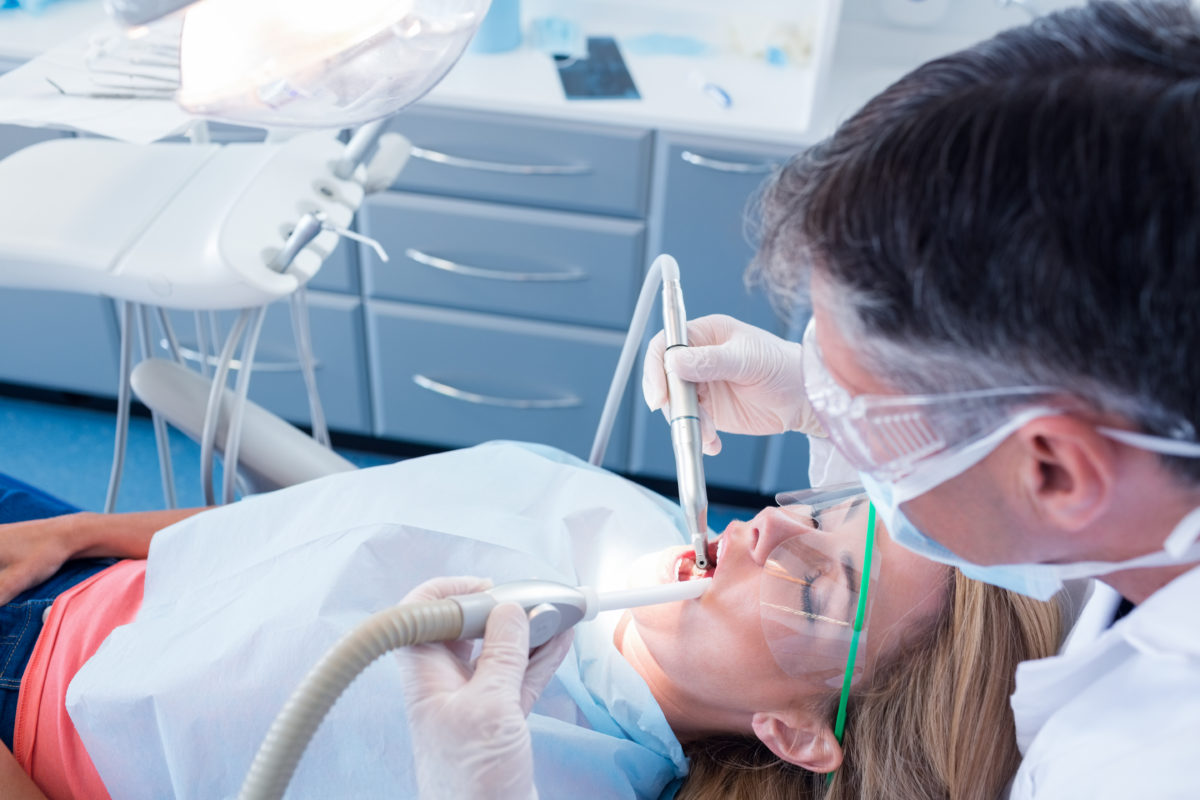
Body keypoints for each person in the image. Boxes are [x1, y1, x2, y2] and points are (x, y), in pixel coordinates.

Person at [643, 1, 1200, 797]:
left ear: (1056, 472)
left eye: (857, 406)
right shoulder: (1149, 487)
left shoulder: (1144, 771)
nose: (768, 521)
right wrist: (811, 398)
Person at [0, 442, 1061, 799]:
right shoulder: (622, 514)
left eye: (817, 586)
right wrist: (81, 530)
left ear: (797, 728)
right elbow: (322, 517)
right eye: (821, 510)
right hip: (83, 563)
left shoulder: (517, 777)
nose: (763, 529)